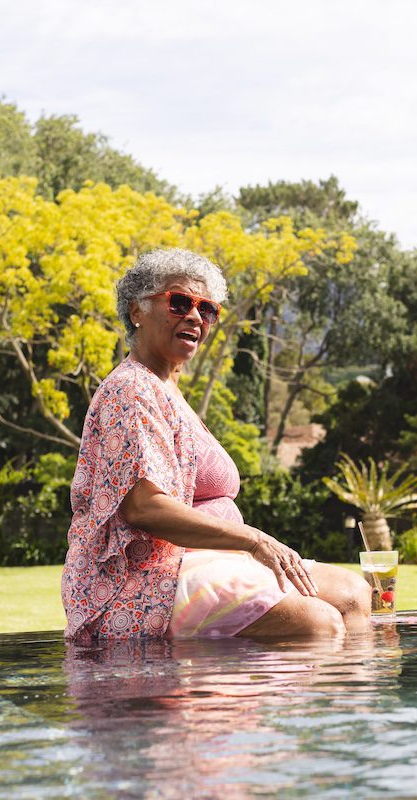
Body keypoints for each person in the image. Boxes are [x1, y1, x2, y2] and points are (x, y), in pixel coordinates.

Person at [62, 248, 370, 644]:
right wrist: (255, 540)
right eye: (179, 302)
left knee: (354, 593)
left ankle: (354, 707)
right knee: (317, 623)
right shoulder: (131, 389)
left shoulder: (166, 387)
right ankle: (245, 705)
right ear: (136, 311)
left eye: (207, 309)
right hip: (142, 581)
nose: (194, 316)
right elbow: (144, 506)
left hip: (203, 565)